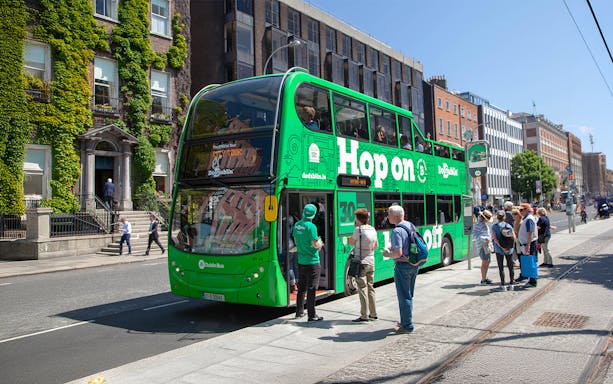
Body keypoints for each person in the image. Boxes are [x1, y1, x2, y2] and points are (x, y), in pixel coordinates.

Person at [381, 205, 420, 334]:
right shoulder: (410, 225)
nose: (387, 216)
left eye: (389, 214)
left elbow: (398, 253)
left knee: (404, 296)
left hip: (403, 266)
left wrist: (387, 254)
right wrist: (393, 245)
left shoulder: (397, 231)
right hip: (414, 264)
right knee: (409, 295)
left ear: (395, 216)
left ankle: (407, 325)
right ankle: (406, 321)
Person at [293, 204, 324, 321]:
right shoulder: (311, 226)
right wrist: (320, 244)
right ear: (314, 214)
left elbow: (296, 241)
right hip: (312, 262)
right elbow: (315, 244)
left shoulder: (297, 225)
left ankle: (299, 312)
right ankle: (312, 315)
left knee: (301, 288)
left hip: (301, 261)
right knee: (311, 288)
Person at [347, 208, 379, 322]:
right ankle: (373, 314)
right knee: (371, 287)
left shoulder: (358, 230)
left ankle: (364, 315)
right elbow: (376, 246)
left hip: (361, 262)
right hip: (371, 261)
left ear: (358, 219)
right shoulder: (373, 229)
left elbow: (351, 242)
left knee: (362, 288)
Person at [491, 210, 515, 290]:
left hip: (499, 250)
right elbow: (514, 238)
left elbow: (495, 239)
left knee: (501, 267)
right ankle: (511, 284)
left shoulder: (494, 227)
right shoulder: (509, 226)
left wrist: (502, 247)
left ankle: (503, 285)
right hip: (509, 249)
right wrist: (509, 247)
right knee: (510, 266)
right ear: (504, 217)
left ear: (497, 217)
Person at [517, 203, 538, 287]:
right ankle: (529, 279)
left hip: (530, 243)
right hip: (527, 243)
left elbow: (530, 233)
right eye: (520, 210)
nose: (520, 212)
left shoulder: (529, 219)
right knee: (528, 261)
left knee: (531, 261)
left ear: (526, 210)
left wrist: (528, 245)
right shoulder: (526, 218)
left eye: (522, 210)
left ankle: (533, 281)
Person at [472, 209, 493, 285]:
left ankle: (484, 277)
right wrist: (484, 239)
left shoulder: (483, 223)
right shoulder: (478, 224)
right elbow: (475, 235)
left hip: (486, 245)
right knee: (485, 262)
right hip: (482, 246)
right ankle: (483, 279)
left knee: (487, 261)